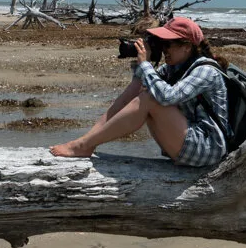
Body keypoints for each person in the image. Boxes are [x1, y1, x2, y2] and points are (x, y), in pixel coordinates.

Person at [50, 15, 227, 166]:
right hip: (188, 144)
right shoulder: (174, 68)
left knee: (151, 98)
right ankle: (85, 144)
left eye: (168, 45)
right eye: (162, 44)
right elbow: (132, 94)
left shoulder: (205, 71)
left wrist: (145, 65)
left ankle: (83, 146)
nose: (163, 49)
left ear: (186, 46)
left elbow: (167, 97)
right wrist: (142, 65)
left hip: (208, 148)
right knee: (144, 93)